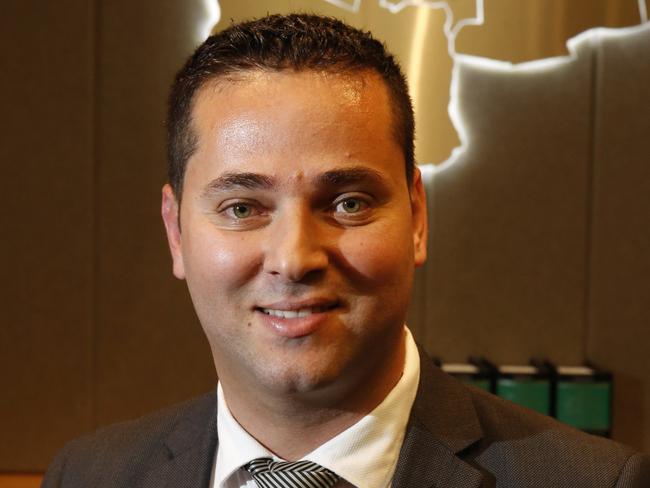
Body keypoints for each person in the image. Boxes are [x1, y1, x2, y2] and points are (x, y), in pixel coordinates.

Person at [43, 13, 649, 488]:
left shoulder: (594, 481)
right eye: (242, 208)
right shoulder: (88, 475)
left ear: (417, 218)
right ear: (176, 234)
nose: (294, 257)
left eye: (349, 203)